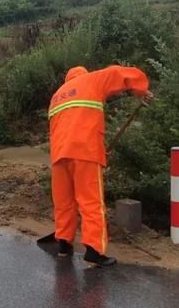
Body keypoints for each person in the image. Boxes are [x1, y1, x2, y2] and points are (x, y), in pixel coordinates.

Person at [49, 65, 154, 267]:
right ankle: (94, 251)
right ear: (83, 75)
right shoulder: (91, 80)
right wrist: (141, 89)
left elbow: (65, 128)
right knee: (91, 203)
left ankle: (64, 245)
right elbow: (119, 73)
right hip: (85, 153)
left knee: (64, 202)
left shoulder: (57, 96)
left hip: (59, 157)